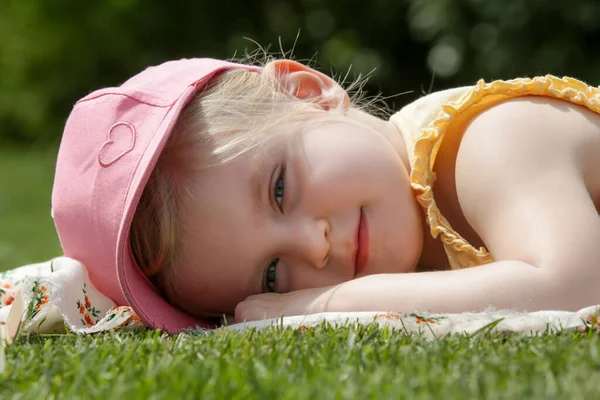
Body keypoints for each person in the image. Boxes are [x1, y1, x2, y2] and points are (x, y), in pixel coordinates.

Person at [51, 56, 600, 333]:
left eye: (281, 189)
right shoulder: (407, 223)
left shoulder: (491, 143)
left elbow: (575, 285)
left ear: (310, 94)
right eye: (272, 275)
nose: (313, 249)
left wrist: (317, 304)